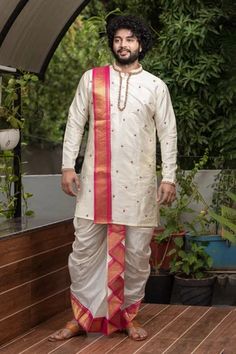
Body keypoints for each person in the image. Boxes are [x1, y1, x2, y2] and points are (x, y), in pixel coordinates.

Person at [49, 15, 177, 342]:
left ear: (140, 44)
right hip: (95, 183)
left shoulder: (155, 86)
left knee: (136, 254)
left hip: (139, 185)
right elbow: (75, 123)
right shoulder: (92, 80)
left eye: (130, 39)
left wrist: (170, 177)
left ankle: (127, 316)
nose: (123, 45)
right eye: (118, 39)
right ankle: (81, 317)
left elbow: (168, 134)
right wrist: (67, 166)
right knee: (83, 252)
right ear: (112, 43)